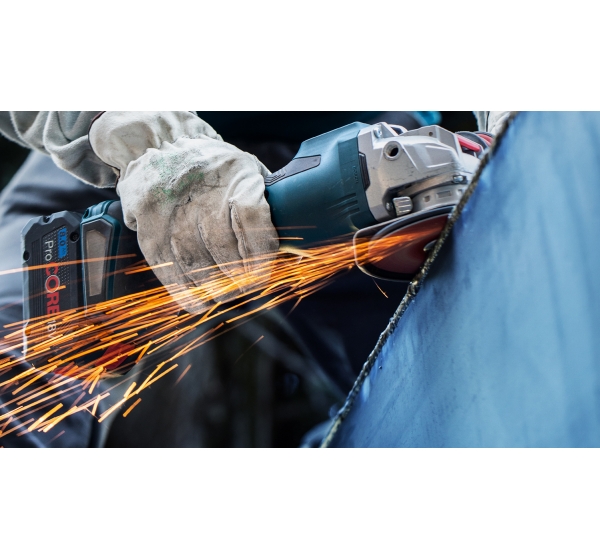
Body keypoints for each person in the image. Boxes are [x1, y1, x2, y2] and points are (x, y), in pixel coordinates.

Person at [0, 111, 499, 447]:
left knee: (423, 395)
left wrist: (512, 134)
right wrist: (154, 144)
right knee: (16, 361)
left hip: (360, 134)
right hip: (113, 134)